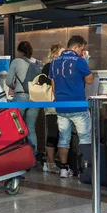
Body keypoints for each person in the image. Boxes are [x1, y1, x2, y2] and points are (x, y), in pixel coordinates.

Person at [49, 35, 93, 178]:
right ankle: (84, 171)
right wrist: (86, 61)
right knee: (85, 138)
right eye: (82, 49)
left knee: (64, 138)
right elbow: (90, 80)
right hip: (78, 106)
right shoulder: (80, 61)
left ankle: (64, 168)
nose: (82, 52)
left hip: (61, 106)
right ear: (76, 47)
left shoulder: (54, 62)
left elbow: (53, 84)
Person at [5, 41, 42, 161]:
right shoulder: (38, 63)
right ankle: (33, 155)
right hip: (36, 98)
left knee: (17, 126)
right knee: (31, 127)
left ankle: (17, 156)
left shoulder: (16, 62)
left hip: (21, 96)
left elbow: (8, 81)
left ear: (19, 51)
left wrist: (14, 85)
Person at [39, 43, 65, 174]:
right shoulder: (49, 66)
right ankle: (49, 162)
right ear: (55, 55)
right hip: (51, 103)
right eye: (62, 53)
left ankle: (51, 161)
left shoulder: (63, 66)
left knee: (59, 133)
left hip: (59, 103)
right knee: (53, 132)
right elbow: (43, 80)